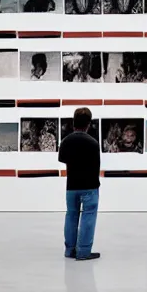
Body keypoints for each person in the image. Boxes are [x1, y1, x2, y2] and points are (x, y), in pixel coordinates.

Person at [58, 107, 101, 261]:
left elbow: (62, 159)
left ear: (73, 122)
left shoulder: (66, 141)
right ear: (88, 124)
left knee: (71, 216)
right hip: (89, 185)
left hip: (72, 186)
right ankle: (83, 252)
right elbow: (97, 165)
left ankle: (69, 250)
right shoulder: (93, 143)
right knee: (88, 217)